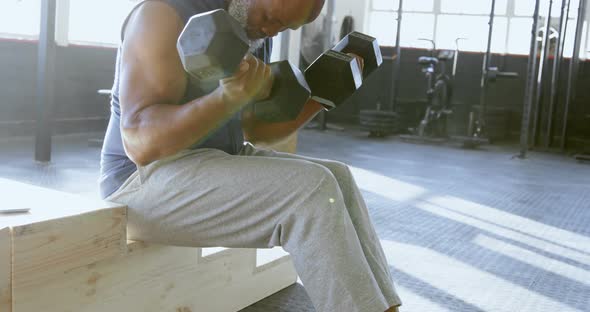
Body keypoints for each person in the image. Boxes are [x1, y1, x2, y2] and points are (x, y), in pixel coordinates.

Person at [99, 0, 401, 311]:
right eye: (269, 18)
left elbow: (256, 130)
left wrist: (325, 94)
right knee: (311, 189)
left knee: (339, 178)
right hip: (142, 180)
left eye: (283, 27)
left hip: (213, 161)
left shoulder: (250, 31)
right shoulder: (163, 14)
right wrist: (228, 97)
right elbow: (140, 142)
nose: (270, 30)